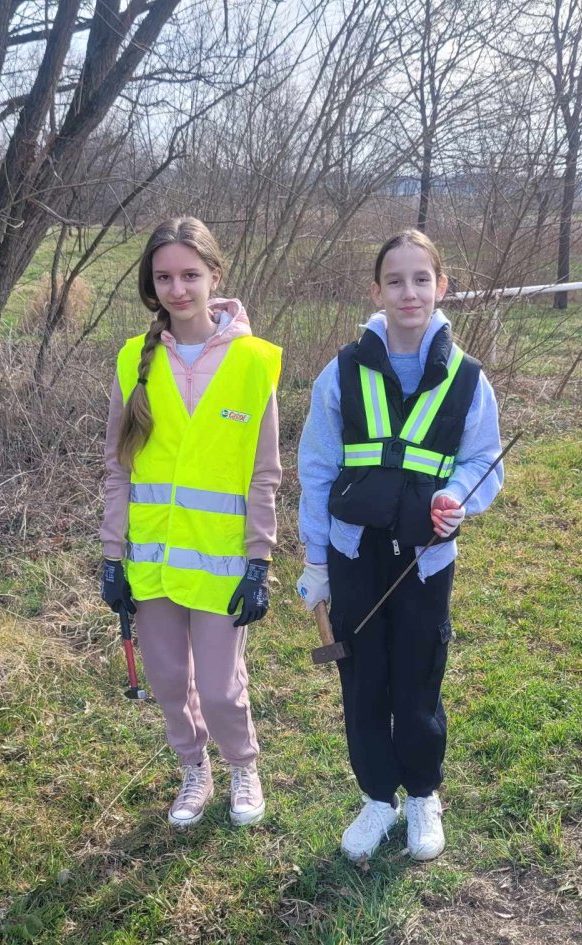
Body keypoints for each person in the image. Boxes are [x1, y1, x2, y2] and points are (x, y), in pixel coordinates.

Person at [296, 229, 503, 862]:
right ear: (376, 291)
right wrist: (314, 561)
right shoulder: (342, 371)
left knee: (418, 671)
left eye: (421, 279)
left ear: (441, 287)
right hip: (352, 555)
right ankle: (376, 798)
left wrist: (457, 498)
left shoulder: (468, 379)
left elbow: (485, 460)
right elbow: (316, 466)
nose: (408, 292)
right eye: (394, 280)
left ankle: (422, 795)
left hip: (425, 558)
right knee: (362, 678)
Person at [99, 217, 282, 829]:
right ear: (152, 286)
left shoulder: (254, 363)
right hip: (149, 562)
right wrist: (110, 555)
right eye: (164, 278)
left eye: (190, 275)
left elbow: (264, 475)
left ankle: (241, 765)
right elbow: (117, 470)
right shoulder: (133, 361)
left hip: (222, 562)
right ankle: (192, 769)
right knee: (170, 682)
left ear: (214, 276)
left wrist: (259, 561)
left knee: (223, 687)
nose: (178, 289)